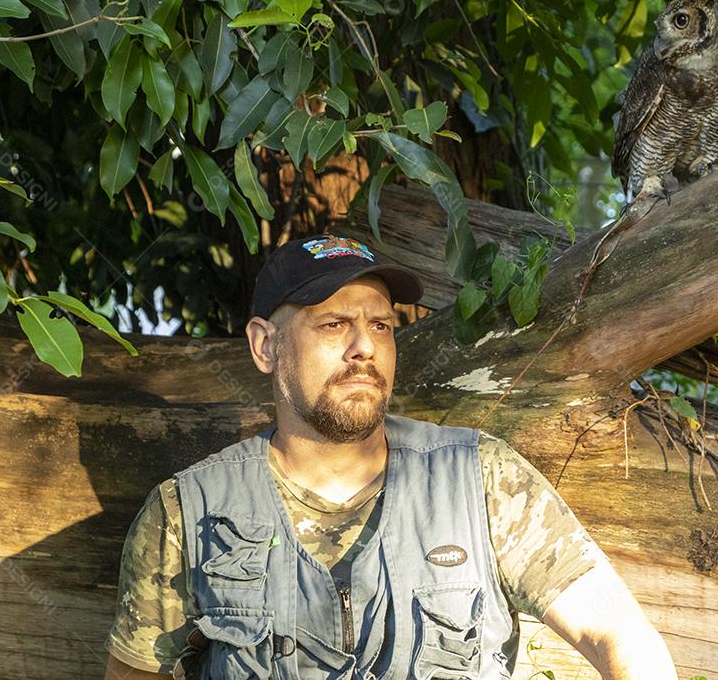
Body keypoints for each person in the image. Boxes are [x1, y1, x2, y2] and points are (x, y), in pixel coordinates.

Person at [104, 233, 678, 680]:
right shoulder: (191, 513)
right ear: (265, 345)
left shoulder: (480, 480)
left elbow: (621, 638)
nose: (364, 347)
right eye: (333, 324)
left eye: (380, 324)